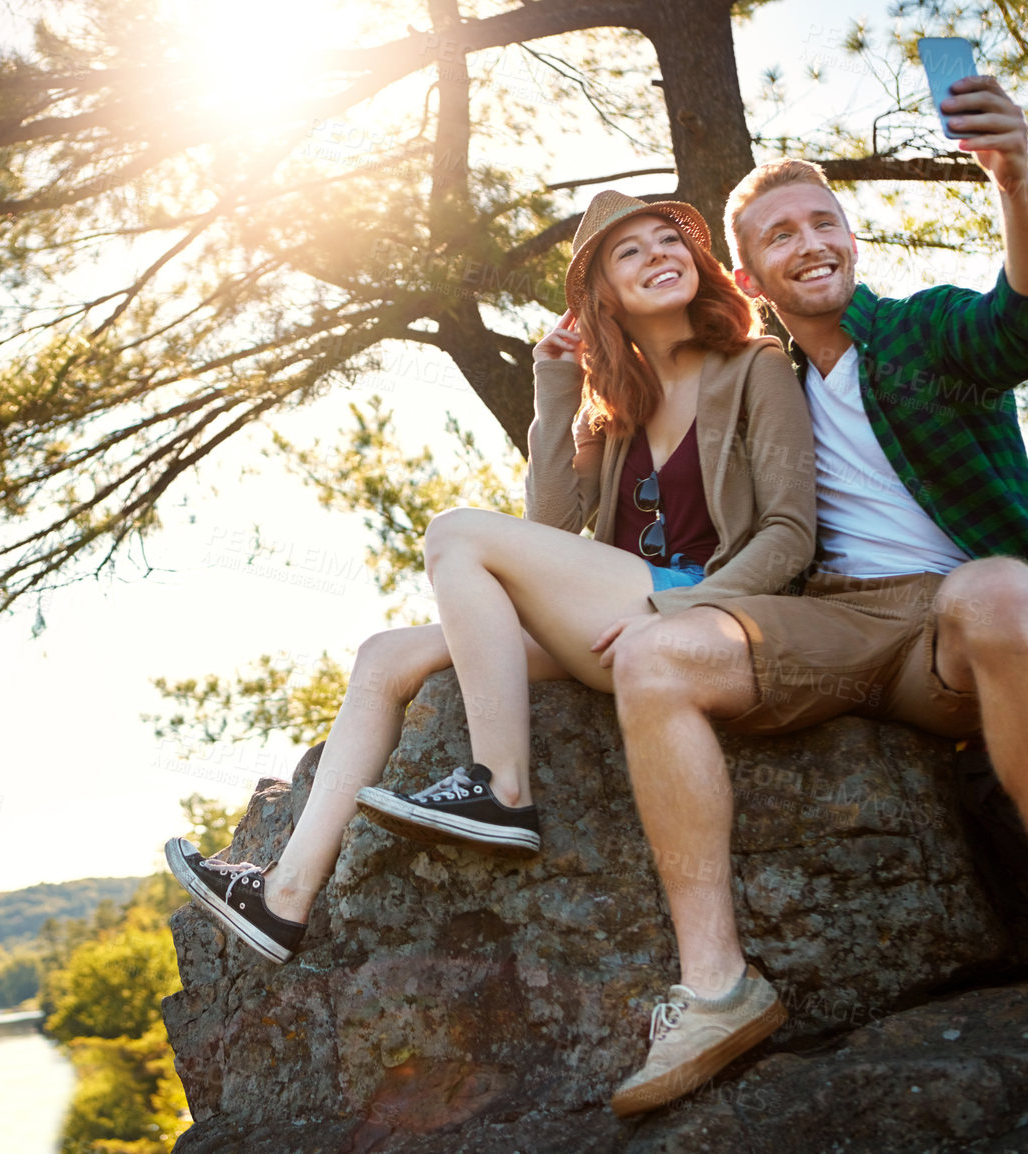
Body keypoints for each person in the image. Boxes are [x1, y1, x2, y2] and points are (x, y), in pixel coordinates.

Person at [597, 77, 1028, 1119]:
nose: (809, 240)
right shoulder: (758, 385)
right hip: (827, 618)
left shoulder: (920, 335)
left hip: (954, 629)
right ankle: (716, 987)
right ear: (747, 272)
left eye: (824, 219)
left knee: (1003, 588)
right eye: (779, 233)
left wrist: (1013, 177)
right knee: (654, 660)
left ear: (852, 238)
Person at [164, 190, 817, 965]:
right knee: (383, 657)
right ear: (601, 296)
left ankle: (502, 787)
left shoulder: (754, 366)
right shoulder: (619, 408)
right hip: (623, 615)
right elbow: (546, 537)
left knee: (456, 532)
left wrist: (687, 610)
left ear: (698, 262)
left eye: (668, 241)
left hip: (706, 617)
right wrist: (554, 396)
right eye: (630, 252)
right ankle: (284, 897)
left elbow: (789, 534)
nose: (660, 256)